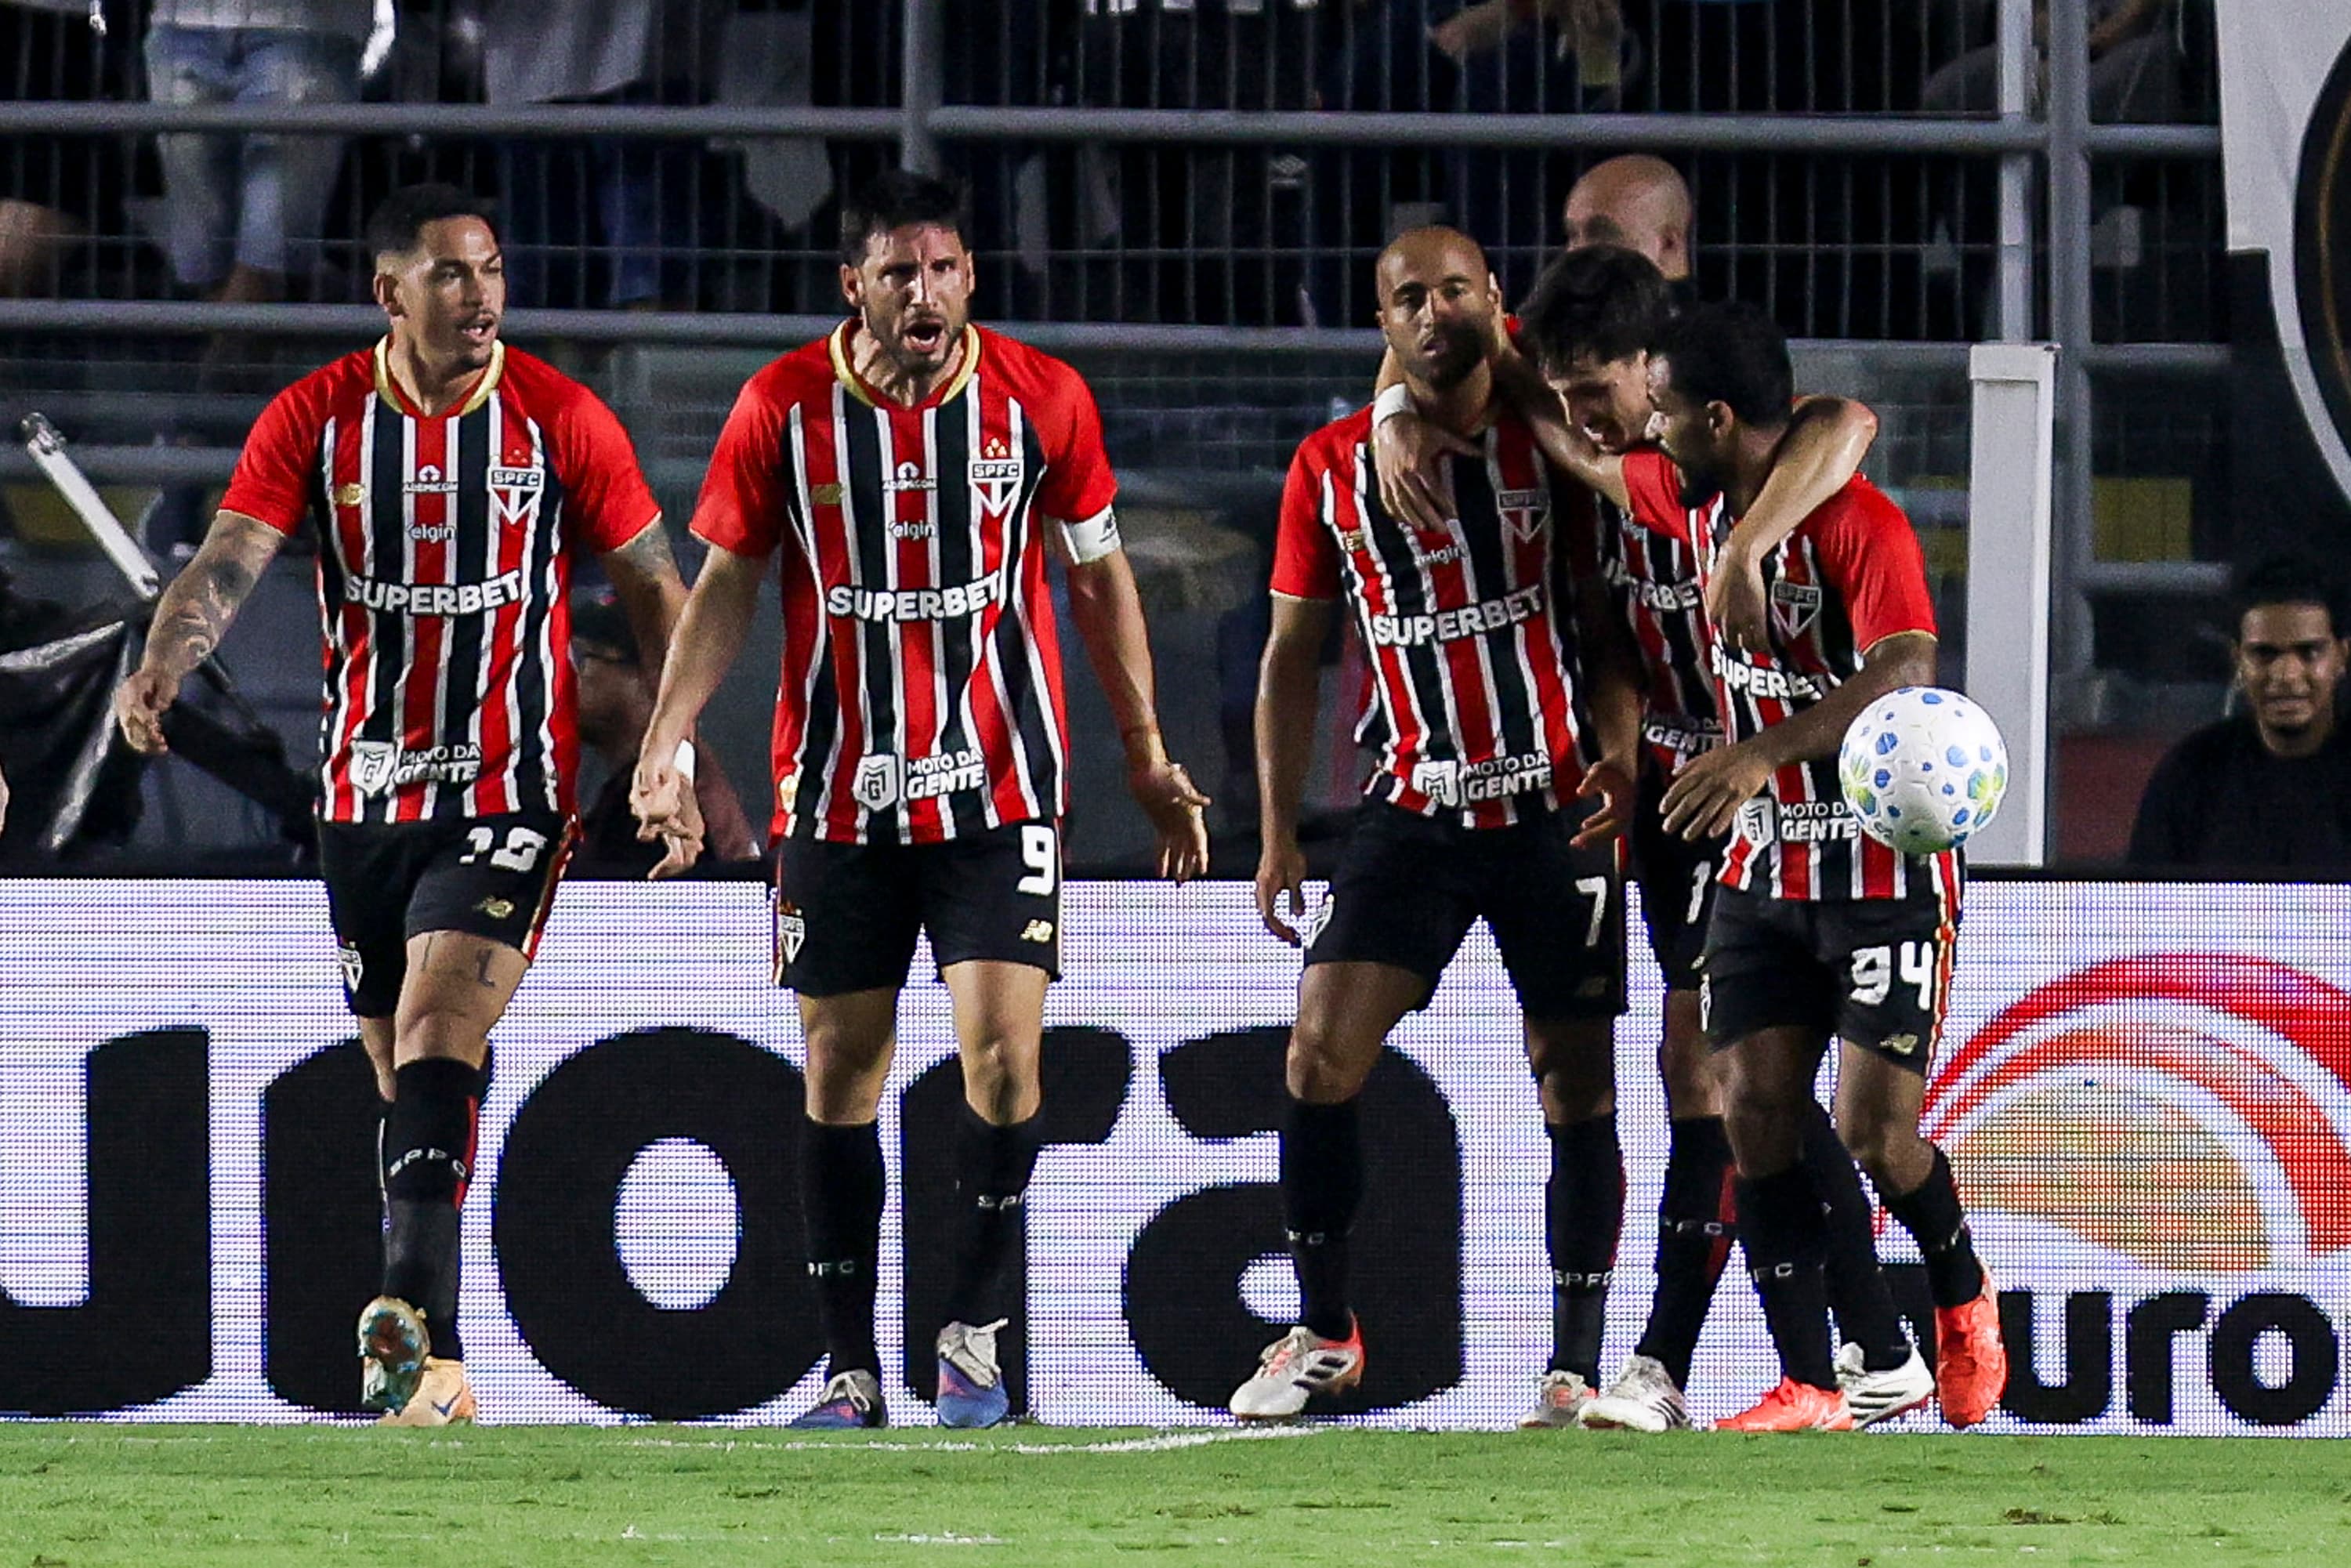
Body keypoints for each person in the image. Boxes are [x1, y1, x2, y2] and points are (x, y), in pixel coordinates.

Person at [111, 183, 708, 1427]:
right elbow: (227, 559)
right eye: (450, 274)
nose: (481, 295)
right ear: (390, 294)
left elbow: (658, 588)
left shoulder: (559, 417)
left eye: (491, 269)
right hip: (363, 799)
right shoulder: (319, 419)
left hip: (510, 786)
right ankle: (434, 1366)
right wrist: (167, 652)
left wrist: (672, 749)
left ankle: (401, 1313)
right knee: (406, 1076)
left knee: (440, 1025)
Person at [632, 169, 1211, 1430]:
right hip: (835, 799)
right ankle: (849, 1370)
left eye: (944, 269)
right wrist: (667, 739)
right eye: (899, 272)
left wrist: (1147, 749)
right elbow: (726, 583)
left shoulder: (1038, 399)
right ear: (856, 286)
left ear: (970, 280)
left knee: (1004, 1065)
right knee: (841, 1071)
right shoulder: (782, 406)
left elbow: (1102, 582)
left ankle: (976, 1334)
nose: (924, 293)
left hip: (999, 789)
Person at [1514, 244, 1934, 1432]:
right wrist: (1398, 406)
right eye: (1566, 394)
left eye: (1599, 388)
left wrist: (1750, 542)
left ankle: (1799, 1354)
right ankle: (1810, 1360)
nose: (1586, 416)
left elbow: (1846, 416)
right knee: (1715, 1077)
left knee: (1740, 1072)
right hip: (1673, 797)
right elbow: (1460, 355)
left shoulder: (1755, 464)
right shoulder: (1635, 472)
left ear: (1660, 372)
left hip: (1772, 792)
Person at [1226, 224, 1641, 1422]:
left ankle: (1571, 1360)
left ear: (1496, 300)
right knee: (1316, 1052)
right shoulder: (1331, 467)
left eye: (1457, 287)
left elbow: (1605, 623)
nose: (1435, 309)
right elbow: (1291, 656)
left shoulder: (1551, 442)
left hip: (1551, 805)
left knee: (1574, 1080)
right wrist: (1275, 831)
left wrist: (1615, 756)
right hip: (1410, 805)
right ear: (1382, 326)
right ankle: (1325, 1331)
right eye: (1409, 295)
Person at [1632, 302, 2006, 1430]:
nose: (1645, 433)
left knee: (1873, 1136)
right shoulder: (1695, 500)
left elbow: (1903, 671)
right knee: (1753, 1113)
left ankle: (1962, 1294)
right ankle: (1813, 1377)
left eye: (1660, 413)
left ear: (1713, 416)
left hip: (1882, 866)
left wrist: (1758, 750)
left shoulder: (1859, 526)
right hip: (1762, 867)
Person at [2128, 560, 2351, 870]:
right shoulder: (2191, 774)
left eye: (2308, 652)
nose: (2286, 674)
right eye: (2264, 654)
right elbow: (2142, 907)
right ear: (2238, 660)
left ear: (2342, 656)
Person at [143, 0, 370, 305]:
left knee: (268, 248)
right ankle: (254, 340)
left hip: (305, 25)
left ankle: (232, 347)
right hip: (183, 21)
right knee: (208, 250)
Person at [567, 590, 758, 878]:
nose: (570, 677)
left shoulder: (665, 803)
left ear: (650, 677)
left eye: (583, 658)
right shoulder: (629, 791)